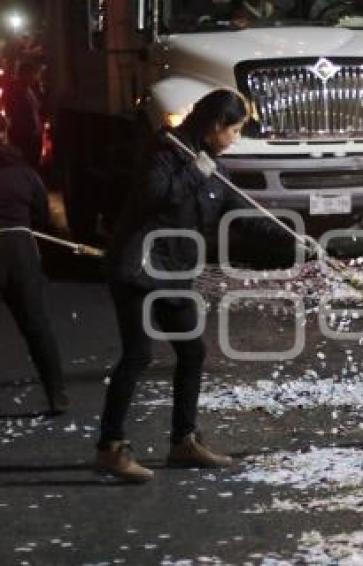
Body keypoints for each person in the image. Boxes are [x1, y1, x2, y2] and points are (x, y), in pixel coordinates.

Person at [95, 89, 279, 483]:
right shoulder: (163, 153)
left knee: (192, 352)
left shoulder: (218, 171)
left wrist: (295, 239)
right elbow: (155, 196)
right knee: (138, 355)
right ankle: (110, 447)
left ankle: (184, 441)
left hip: (175, 273)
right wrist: (196, 171)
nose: (236, 138)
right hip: (138, 269)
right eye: (235, 129)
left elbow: (243, 218)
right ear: (215, 126)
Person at [0, 113, 69, 414]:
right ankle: (57, 394)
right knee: (36, 326)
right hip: (19, 251)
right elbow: (42, 215)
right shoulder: (23, 173)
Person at [4, 59, 45, 169]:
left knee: (33, 165)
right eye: (32, 74)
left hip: (33, 137)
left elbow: (35, 110)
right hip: (23, 138)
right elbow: (14, 113)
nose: (34, 77)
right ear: (24, 74)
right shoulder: (14, 90)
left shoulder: (30, 90)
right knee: (26, 166)